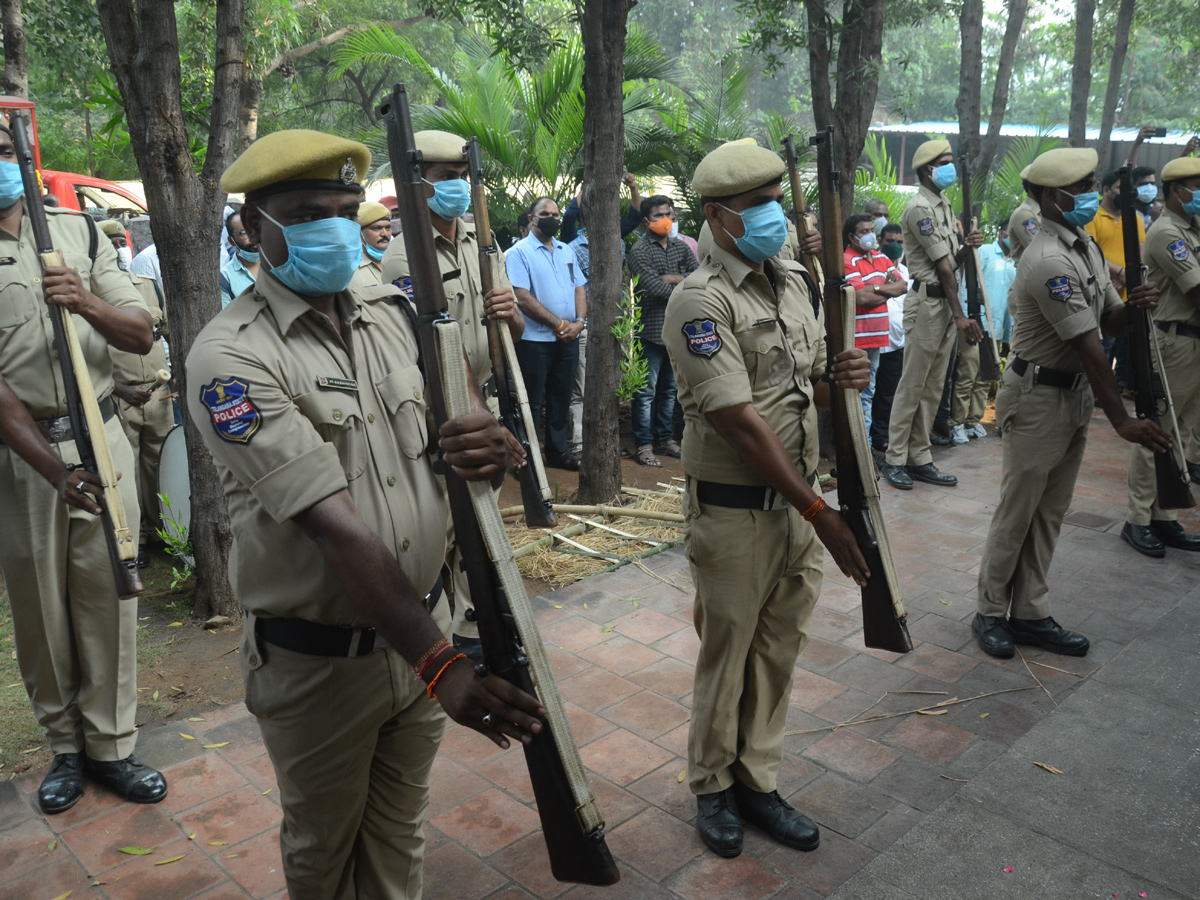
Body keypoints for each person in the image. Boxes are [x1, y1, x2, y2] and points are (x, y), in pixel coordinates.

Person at [187, 129, 544, 899]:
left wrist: (491, 442)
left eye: (348, 211)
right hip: (322, 667)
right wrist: (443, 663)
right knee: (323, 852)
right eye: (312, 213)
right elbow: (332, 523)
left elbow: (459, 422)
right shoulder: (231, 358)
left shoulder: (391, 313)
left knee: (396, 837)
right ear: (254, 228)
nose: (337, 230)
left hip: (419, 636)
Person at [662, 140, 872, 860]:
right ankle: (713, 786)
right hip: (734, 510)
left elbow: (800, 388)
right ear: (719, 218)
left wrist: (842, 375)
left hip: (797, 509)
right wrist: (822, 513)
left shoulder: (793, 280)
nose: (776, 215)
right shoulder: (700, 299)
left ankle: (758, 779)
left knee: (778, 651)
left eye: (778, 199)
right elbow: (739, 423)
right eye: (758, 207)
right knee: (729, 654)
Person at [0, 124, 166, 814]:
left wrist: (84, 300)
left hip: (103, 439)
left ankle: (112, 747)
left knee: (109, 597)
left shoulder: (82, 234)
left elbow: (139, 329)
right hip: (22, 456)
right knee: (42, 607)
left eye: (5, 151)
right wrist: (51, 470)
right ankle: (66, 750)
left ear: (21, 157)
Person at [973, 147, 1171, 660]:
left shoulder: (1081, 245)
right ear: (1050, 198)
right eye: (1080, 188)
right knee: (1018, 510)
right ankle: (990, 611)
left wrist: (1135, 307)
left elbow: (1108, 323)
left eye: (1090, 185)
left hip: (1071, 393)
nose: (1089, 195)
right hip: (1037, 396)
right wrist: (1121, 420)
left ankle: (1031, 612)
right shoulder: (1048, 259)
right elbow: (1089, 345)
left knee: (1050, 511)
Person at [380, 129, 525, 659]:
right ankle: (462, 627)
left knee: (479, 516)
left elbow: (499, 337)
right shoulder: (403, 259)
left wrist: (508, 317)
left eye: (463, 177)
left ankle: (478, 618)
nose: (459, 188)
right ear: (420, 187)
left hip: (484, 394)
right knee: (450, 518)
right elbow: (427, 352)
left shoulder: (480, 243)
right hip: (441, 407)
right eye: (447, 179)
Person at [881, 139, 983, 490]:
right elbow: (943, 267)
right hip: (928, 304)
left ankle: (919, 456)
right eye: (946, 162)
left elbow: (953, 262)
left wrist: (966, 247)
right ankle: (895, 458)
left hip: (943, 303)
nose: (951, 168)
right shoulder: (920, 208)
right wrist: (959, 315)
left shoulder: (942, 204)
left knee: (933, 385)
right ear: (928, 169)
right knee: (912, 384)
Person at [1120, 156, 1200, 558]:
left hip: (1193, 343)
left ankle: (1163, 516)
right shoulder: (1168, 233)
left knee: (1182, 433)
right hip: (1173, 342)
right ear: (1175, 190)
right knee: (1157, 431)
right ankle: (1137, 520)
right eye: (1196, 186)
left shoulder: (1192, 229)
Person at [101, 220, 174, 569]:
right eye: (110, 242)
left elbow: (167, 332)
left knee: (161, 464)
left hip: (158, 395)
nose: (118, 248)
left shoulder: (148, 286)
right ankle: (136, 538)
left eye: (120, 240)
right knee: (124, 471)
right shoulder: (93, 292)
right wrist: (119, 389)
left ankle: (166, 533)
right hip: (120, 397)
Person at [506, 196, 587, 470]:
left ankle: (557, 453)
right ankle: (525, 460)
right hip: (533, 341)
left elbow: (579, 288)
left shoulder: (567, 250)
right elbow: (522, 298)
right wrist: (559, 324)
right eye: (545, 214)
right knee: (529, 401)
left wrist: (579, 322)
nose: (552, 219)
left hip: (568, 339)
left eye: (556, 214)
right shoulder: (518, 253)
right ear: (532, 218)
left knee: (561, 397)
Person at [627, 194, 698, 466]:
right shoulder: (640, 251)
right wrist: (684, 283)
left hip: (678, 332)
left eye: (668, 213)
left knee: (670, 390)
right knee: (646, 391)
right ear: (647, 221)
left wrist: (674, 278)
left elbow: (700, 277)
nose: (665, 219)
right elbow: (653, 288)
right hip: (651, 331)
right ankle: (644, 444)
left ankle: (665, 439)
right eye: (658, 215)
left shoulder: (681, 247)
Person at [843, 213, 906, 437]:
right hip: (858, 337)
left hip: (878, 337)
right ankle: (862, 447)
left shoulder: (880, 257)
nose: (869, 235)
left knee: (869, 392)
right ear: (852, 237)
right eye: (863, 232)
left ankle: (866, 445)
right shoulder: (847, 260)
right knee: (860, 393)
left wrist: (876, 290)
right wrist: (884, 288)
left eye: (871, 230)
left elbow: (902, 286)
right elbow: (861, 298)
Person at [871, 225, 908, 455]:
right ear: (880, 241)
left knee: (888, 392)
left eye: (899, 241)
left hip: (896, 341)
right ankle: (868, 436)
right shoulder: (872, 267)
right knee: (869, 391)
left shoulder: (905, 271)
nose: (895, 246)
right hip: (873, 341)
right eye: (889, 241)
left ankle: (881, 435)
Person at [220, 208, 260, 307]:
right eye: (244, 233)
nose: (253, 238)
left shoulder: (280, 265)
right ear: (231, 241)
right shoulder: (226, 278)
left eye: (255, 229)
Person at [350, 200, 391, 292]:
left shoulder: (398, 260)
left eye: (388, 228)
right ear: (359, 233)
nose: (384, 234)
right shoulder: (350, 270)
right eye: (377, 228)